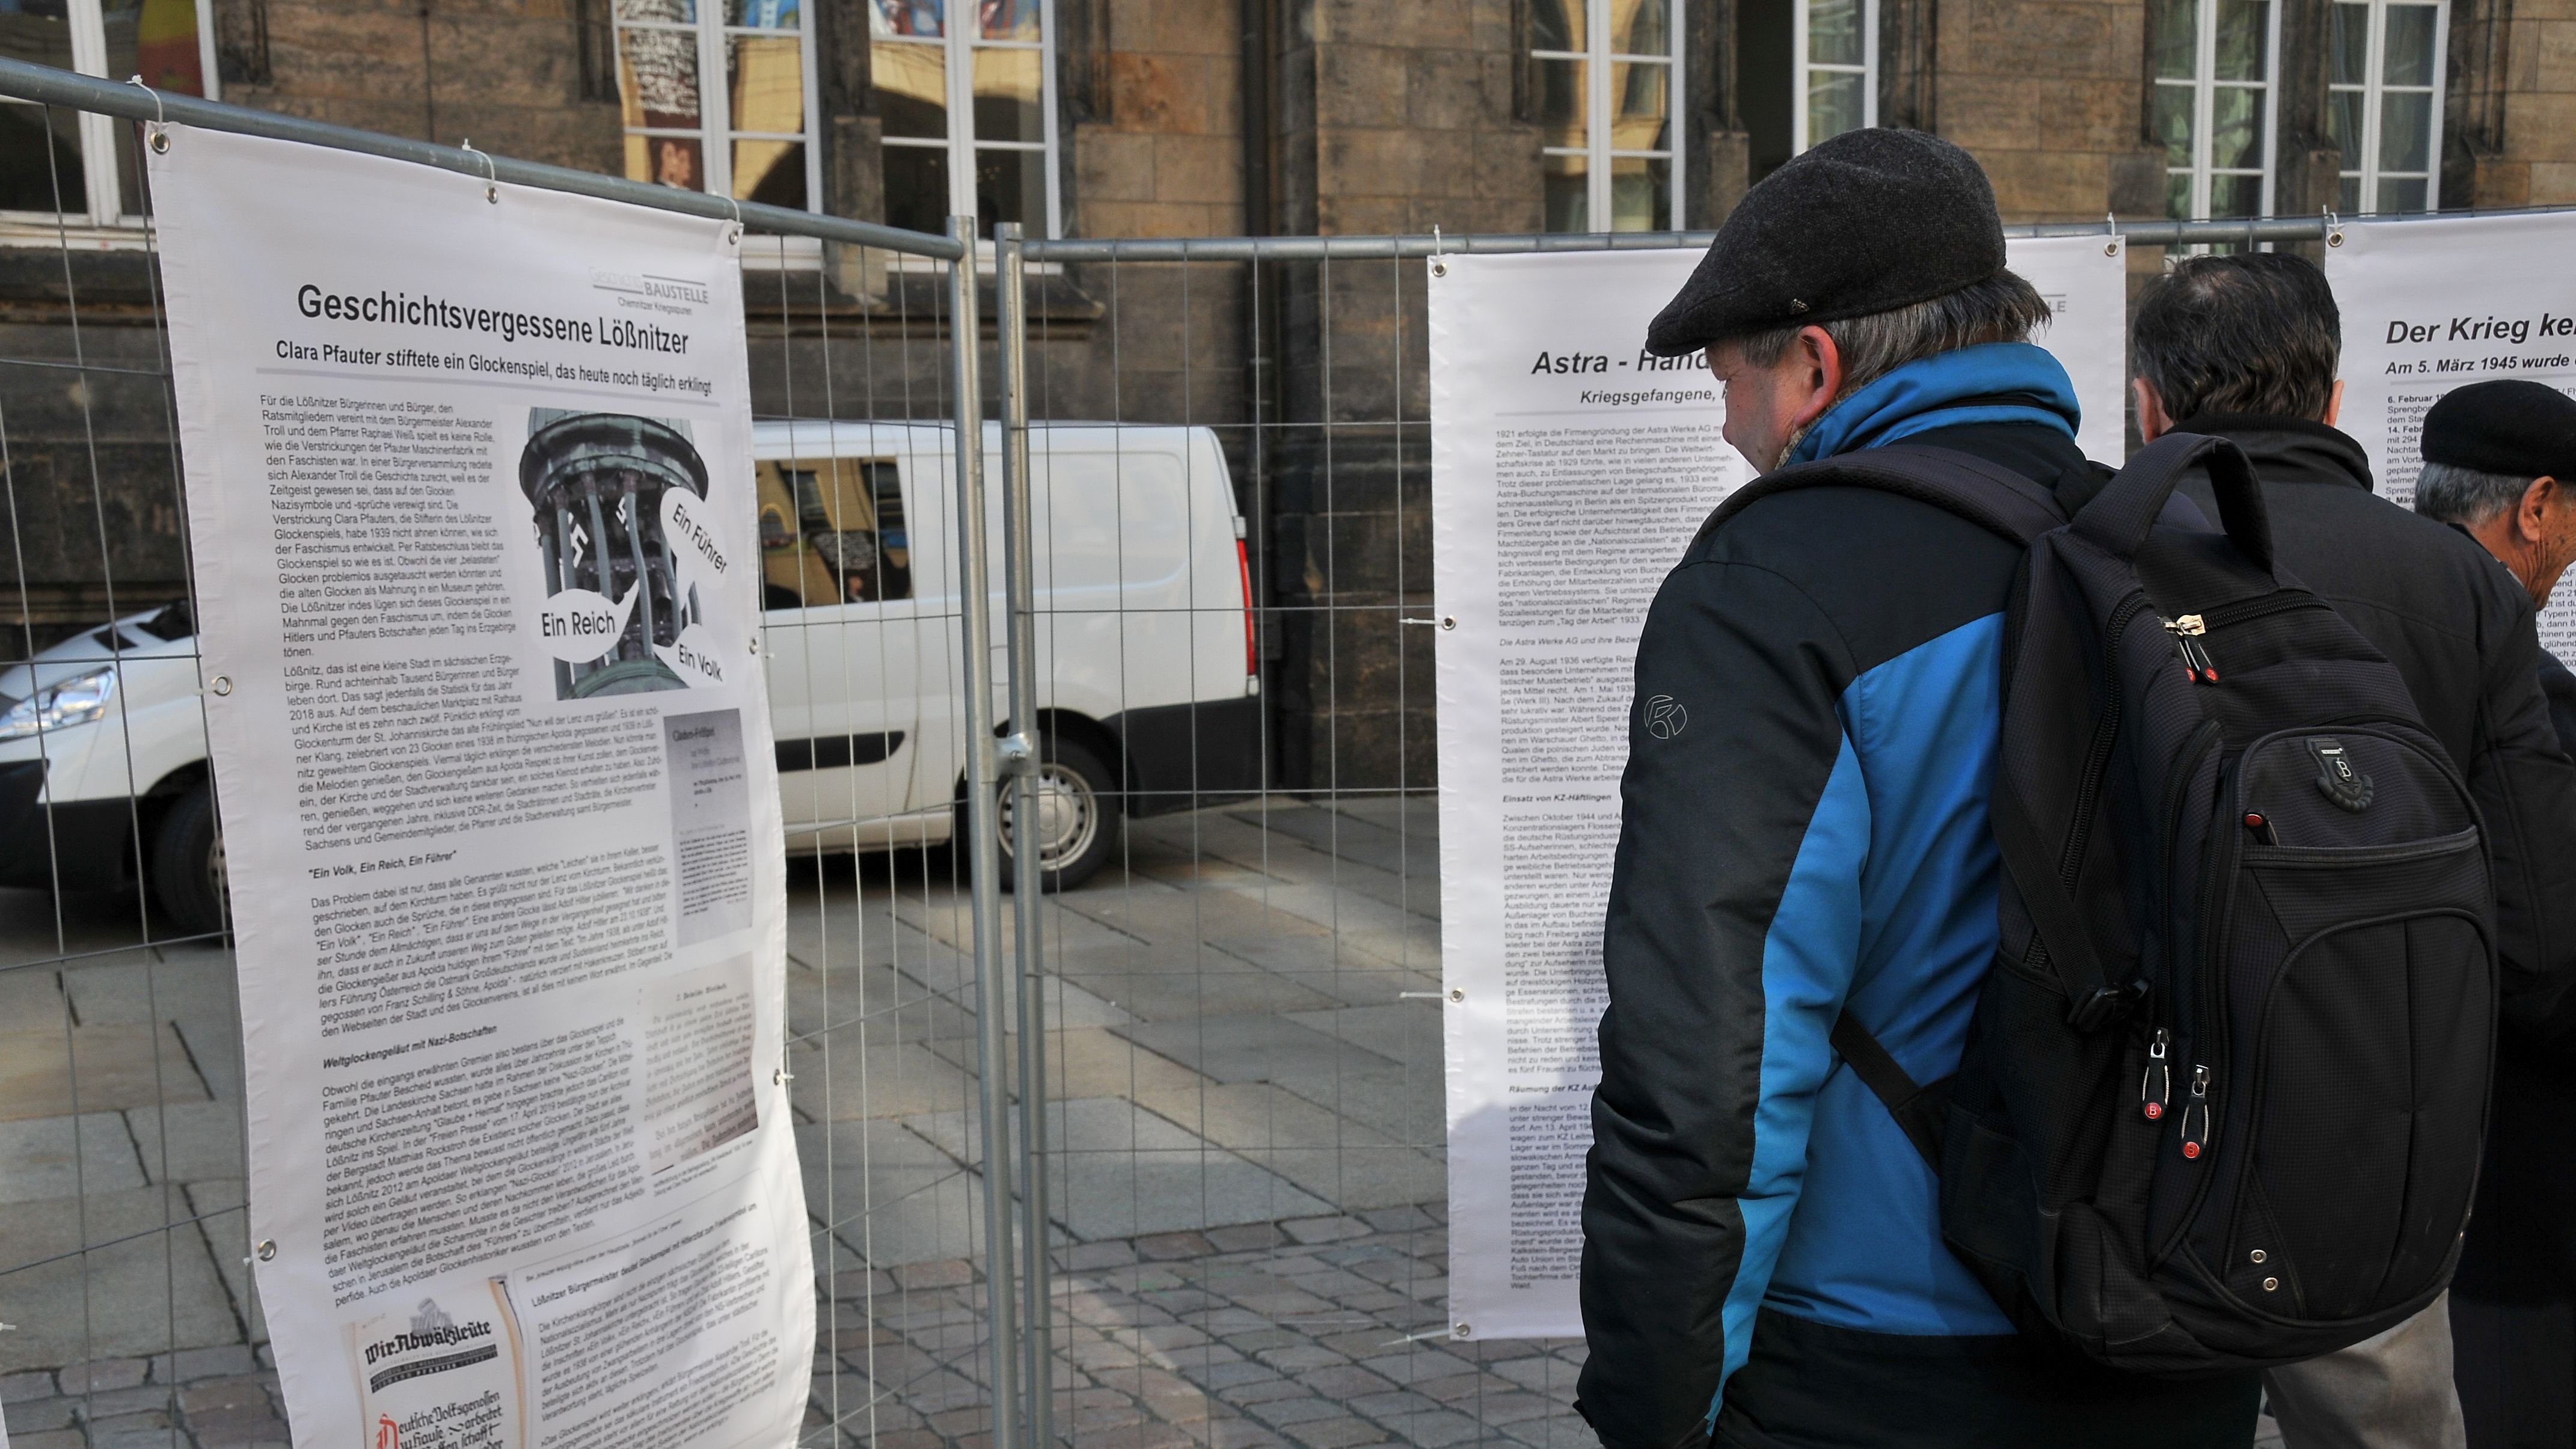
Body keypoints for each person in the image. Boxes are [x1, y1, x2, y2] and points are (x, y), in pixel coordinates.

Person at [1577, 128, 2260, 1449]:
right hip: (2179, 1319)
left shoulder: (1773, 590)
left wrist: (1653, 1400)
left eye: (1730, 384)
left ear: (1815, 365)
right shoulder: (2169, 541)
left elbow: (1709, 1056)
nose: (1732, 433)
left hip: (1889, 1361)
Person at [2131, 260, 2576, 1449]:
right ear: (2331, 401)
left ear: (2147, 407)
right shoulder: (2460, 588)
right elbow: (2540, 932)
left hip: (2144, 1138)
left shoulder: (2083, 560)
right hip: (2372, 1142)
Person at [2408, 378, 2576, 1449]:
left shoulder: (2350, 642)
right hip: (2517, 1190)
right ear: (2534, 506)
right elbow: (2551, 957)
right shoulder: (2538, 700)